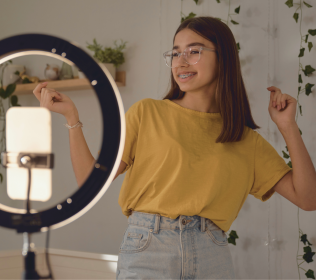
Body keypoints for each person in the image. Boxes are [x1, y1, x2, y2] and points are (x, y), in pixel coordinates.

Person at [33, 16, 293, 279]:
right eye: (176, 53)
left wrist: (287, 126)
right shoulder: (147, 112)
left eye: (194, 51)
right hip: (148, 250)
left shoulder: (244, 139)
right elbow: (90, 180)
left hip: (212, 257)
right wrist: (72, 118)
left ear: (223, 56)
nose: (181, 62)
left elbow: (308, 197)